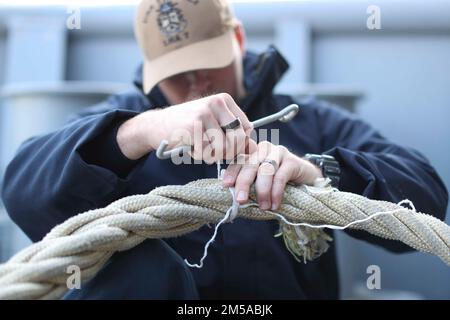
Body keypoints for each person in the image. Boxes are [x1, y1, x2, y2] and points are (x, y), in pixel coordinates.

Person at [1, 0, 448, 299]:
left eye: (208, 64)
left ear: (237, 41)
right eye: (178, 75)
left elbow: (425, 193)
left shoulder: (311, 124)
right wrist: (139, 132)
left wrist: (318, 174)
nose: (198, 86)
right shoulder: (123, 124)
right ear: (150, 72)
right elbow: (23, 187)